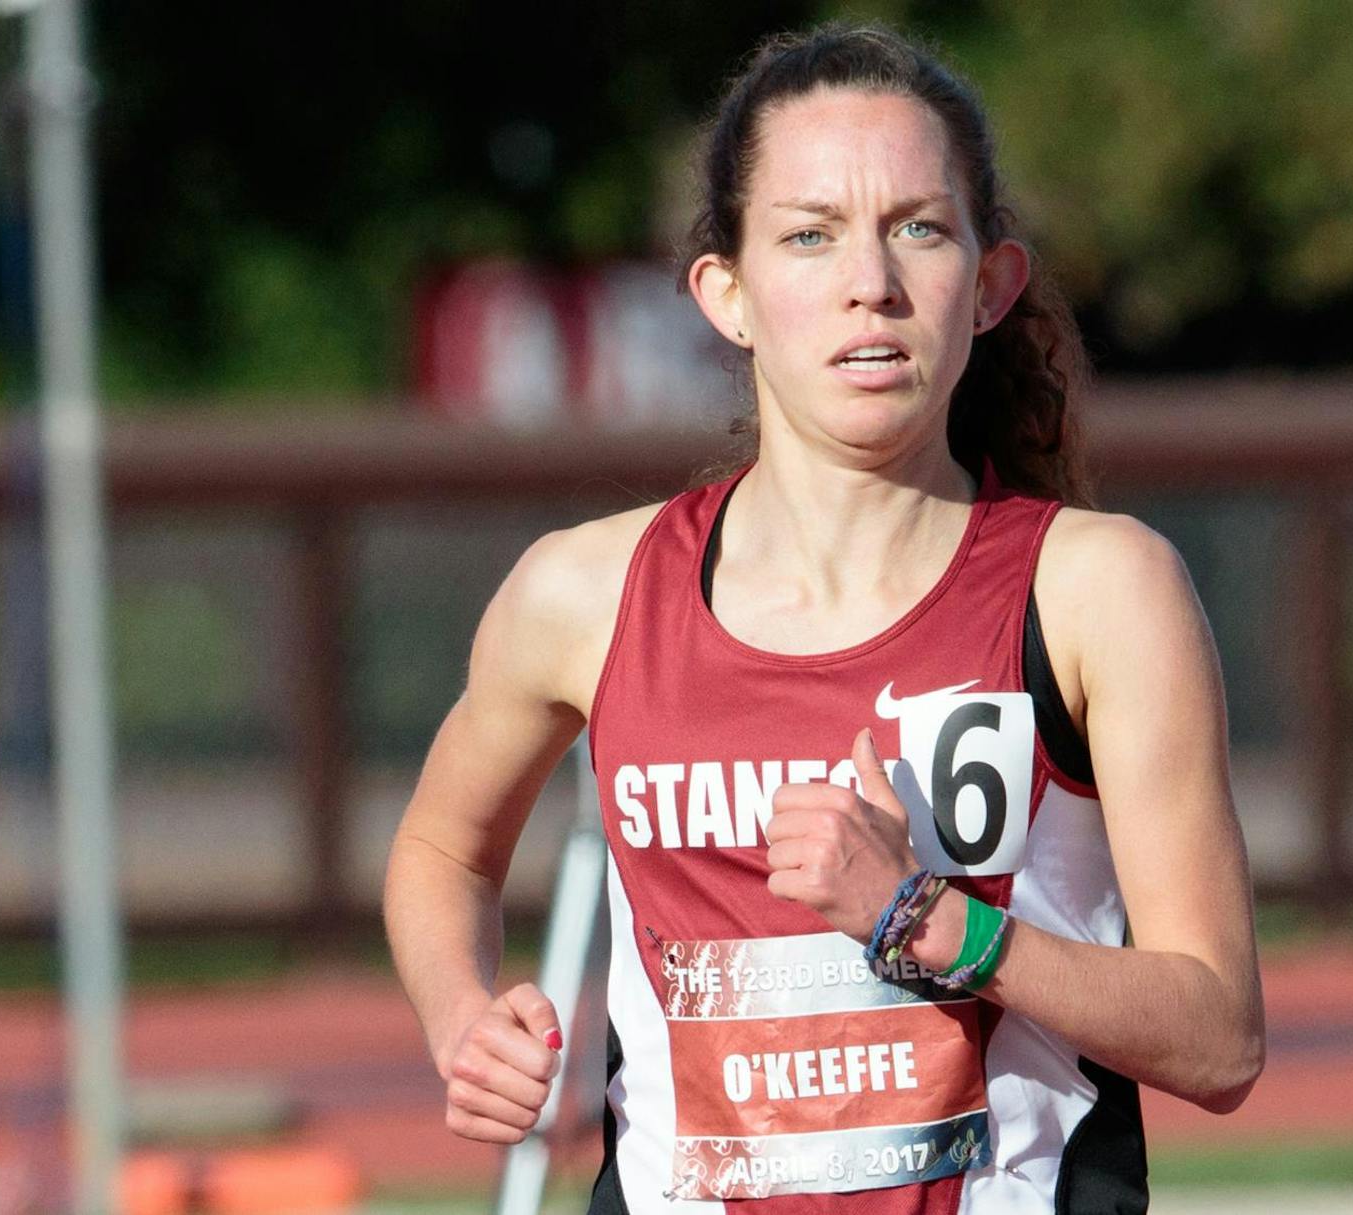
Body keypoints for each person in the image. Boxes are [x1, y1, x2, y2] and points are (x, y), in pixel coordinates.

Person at [382, 23, 1264, 1214]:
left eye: (919, 228)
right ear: (726, 295)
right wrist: (463, 1018)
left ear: (990, 285)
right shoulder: (585, 593)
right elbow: (441, 852)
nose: (871, 282)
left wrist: (933, 922)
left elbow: (1219, 1038)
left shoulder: (1098, 590)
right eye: (810, 234)